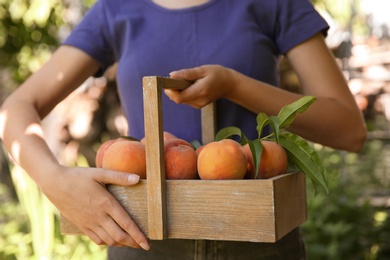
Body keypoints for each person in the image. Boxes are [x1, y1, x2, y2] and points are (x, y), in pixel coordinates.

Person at [0, 0, 367, 259]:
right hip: (143, 241)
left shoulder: (274, 3)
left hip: (258, 242)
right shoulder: (117, 8)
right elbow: (16, 108)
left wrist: (236, 86)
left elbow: (349, 130)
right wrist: (53, 179)